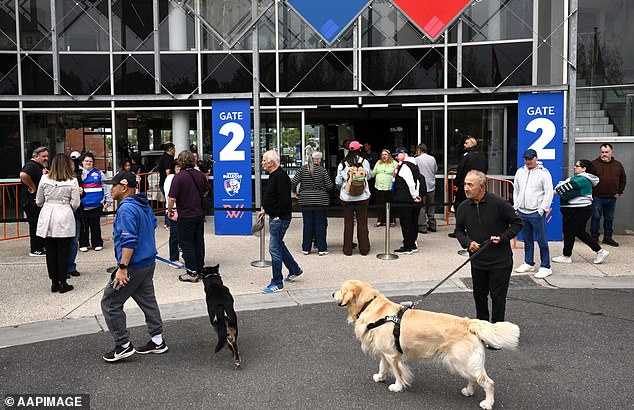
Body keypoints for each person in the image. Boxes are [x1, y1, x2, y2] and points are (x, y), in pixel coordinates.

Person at [101, 171, 168, 362]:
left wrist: (122, 267)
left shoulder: (126, 209)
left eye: (113, 185)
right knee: (148, 300)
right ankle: (157, 340)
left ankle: (122, 345)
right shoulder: (142, 204)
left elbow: (129, 240)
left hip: (133, 266)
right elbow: (152, 224)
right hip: (147, 263)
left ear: (123, 187)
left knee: (110, 303)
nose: (110, 188)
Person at [455, 170, 522, 324]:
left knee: (498, 297)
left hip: (500, 261)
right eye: (465, 184)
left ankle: (497, 330)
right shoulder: (463, 207)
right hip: (478, 261)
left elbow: (517, 223)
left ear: (482, 186)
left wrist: (503, 237)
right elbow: (458, 231)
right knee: (479, 296)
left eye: (470, 185)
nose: (466, 188)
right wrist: (467, 242)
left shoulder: (499, 203)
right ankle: (483, 328)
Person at [258, 150, 303, 293]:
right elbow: (273, 196)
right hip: (275, 216)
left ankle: (277, 282)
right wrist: (266, 209)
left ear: (272, 162)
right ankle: (294, 269)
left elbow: (284, 200)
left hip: (279, 218)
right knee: (279, 244)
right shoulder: (274, 175)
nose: (262, 162)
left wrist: (276, 214)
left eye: (264, 160)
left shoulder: (281, 177)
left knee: (274, 248)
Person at [36, 153, 80, 293]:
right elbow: (75, 203)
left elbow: (39, 200)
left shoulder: (44, 179)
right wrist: (67, 207)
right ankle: (62, 281)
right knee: (63, 250)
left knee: (51, 251)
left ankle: (54, 281)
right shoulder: (72, 181)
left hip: (48, 213)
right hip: (64, 213)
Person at [552, 160, 610, 265]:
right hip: (574, 209)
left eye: (577, 166)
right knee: (577, 232)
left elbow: (562, 189)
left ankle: (568, 256)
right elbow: (563, 186)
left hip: (577, 210)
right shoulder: (578, 179)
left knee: (571, 232)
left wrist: (555, 189)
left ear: (584, 168)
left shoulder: (582, 180)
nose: (574, 167)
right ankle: (598, 251)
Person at [167, 150, 209, 283]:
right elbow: (206, 190)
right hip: (199, 214)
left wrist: (169, 211)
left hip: (185, 214)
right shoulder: (201, 175)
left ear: (181, 161)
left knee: (187, 244)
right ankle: (200, 269)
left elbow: (172, 198)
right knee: (199, 242)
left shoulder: (178, 177)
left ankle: (192, 272)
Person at [513, 149, 554, 279]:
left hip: (536, 212)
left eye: (530, 158)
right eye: (526, 158)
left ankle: (546, 266)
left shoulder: (544, 173)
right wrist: (516, 206)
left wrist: (542, 209)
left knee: (541, 240)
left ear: (536, 158)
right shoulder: (520, 172)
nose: (528, 161)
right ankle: (529, 262)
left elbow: (548, 193)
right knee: (527, 239)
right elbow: (516, 190)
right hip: (522, 211)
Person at [292, 151, 334, 256]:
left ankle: (306, 248)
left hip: (305, 200)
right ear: (319, 160)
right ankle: (321, 248)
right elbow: (330, 186)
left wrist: (295, 192)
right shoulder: (322, 170)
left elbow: (293, 182)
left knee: (307, 224)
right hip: (320, 200)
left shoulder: (302, 169)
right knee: (320, 224)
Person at [335, 141, 373, 256]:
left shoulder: (343, 163)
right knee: (362, 222)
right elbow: (369, 176)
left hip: (347, 197)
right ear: (359, 150)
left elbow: (338, 181)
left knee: (348, 223)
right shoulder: (364, 162)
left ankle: (347, 250)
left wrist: (342, 186)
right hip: (363, 196)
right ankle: (364, 249)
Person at [590, 143, 627, 247]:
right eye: (602, 152)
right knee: (596, 217)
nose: (604, 154)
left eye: (606, 152)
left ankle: (607, 238)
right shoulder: (593, 164)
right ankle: (594, 238)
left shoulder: (618, 165)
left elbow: (623, 179)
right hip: (597, 197)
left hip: (612, 197)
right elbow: (587, 180)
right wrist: (591, 194)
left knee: (609, 218)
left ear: (612, 152)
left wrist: (619, 192)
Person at [391, 147, 423, 255]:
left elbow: (410, 182)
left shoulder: (405, 166)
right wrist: (416, 194)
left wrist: (414, 195)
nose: (395, 157)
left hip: (405, 199)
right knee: (412, 222)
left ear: (403, 154)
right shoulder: (413, 164)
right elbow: (417, 180)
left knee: (406, 223)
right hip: (410, 199)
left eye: (397, 155)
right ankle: (412, 244)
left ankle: (408, 246)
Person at [79, 152, 112, 252]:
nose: (88, 163)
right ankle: (83, 244)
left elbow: (105, 187)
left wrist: (108, 199)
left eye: (90, 161)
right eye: (86, 161)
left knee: (95, 225)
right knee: (83, 226)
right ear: (82, 162)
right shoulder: (77, 174)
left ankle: (97, 243)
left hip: (96, 205)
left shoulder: (99, 173)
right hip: (82, 205)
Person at [20, 146, 49, 257]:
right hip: (30, 201)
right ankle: (35, 249)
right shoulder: (31, 165)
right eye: (43, 156)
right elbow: (23, 175)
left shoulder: (40, 166)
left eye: (47, 156)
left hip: (38, 201)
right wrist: (32, 186)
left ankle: (41, 245)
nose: (46, 158)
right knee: (35, 224)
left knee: (40, 224)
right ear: (36, 156)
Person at [452, 136, 488, 213]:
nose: (464, 145)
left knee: (461, 207)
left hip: (464, 186)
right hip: (479, 186)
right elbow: (485, 169)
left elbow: (460, 171)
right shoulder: (482, 155)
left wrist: (456, 183)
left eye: (466, 143)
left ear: (471, 144)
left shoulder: (466, 156)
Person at [66, 151, 84, 278]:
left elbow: (82, 194)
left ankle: (71, 266)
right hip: (64, 212)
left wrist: (81, 192)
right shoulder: (55, 179)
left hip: (76, 212)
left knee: (74, 240)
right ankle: (62, 268)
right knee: (63, 242)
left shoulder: (77, 177)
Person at [415, 143, 438, 233]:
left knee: (422, 207)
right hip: (431, 185)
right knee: (431, 206)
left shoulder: (417, 159)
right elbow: (435, 170)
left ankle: (422, 226)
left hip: (422, 186)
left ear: (419, 150)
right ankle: (432, 224)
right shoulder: (432, 159)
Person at [163, 163, 183, 269]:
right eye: (177, 167)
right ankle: (173, 258)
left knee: (183, 235)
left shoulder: (182, 177)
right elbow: (170, 196)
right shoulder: (171, 178)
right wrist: (170, 209)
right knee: (174, 235)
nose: (179, 169)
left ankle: (181, 255)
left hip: (183, 210)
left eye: (181, 167)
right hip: (174, 210)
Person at [372, 149, 397, 227]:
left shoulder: (394, 163)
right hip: (379, 187)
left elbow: (398, 173)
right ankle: (380, 220)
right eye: (382, 154)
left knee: (390, 204)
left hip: (389, 187)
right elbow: (373, 173)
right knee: (380, 204)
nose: (383, 156)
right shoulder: (378, 163)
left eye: (385, 154)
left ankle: (391, 220)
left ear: (389, 155)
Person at [158, 142, 175, 227]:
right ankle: (168, 222)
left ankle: (168, 222)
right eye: (173, 149)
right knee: (169, 201)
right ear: (170, 150)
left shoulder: (165, 158)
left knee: (168, 201)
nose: (175, 151)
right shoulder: (167, 159)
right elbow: (168, 172)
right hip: (166, 183)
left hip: (164, 182)